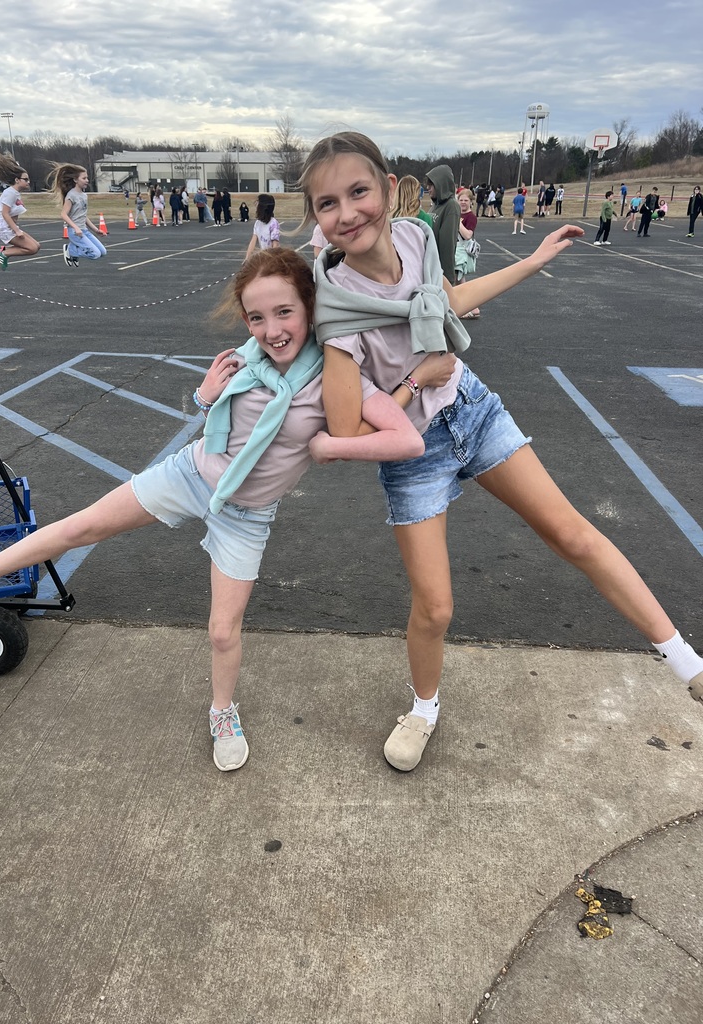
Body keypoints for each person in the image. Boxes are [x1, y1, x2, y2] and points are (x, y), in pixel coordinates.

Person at [0, 248, 435, 772]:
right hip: (190, 474)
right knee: (80, 527)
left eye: (284, 312)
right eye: (257, 317)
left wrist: (332, 444)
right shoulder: (246, 360)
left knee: (222, 630)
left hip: (246, 514)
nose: (271, 330)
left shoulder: (336, 379)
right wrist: (204, 397)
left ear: (310, 307)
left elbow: (407, 440)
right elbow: (221, 423)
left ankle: (223, 712)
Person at [301, 130, 703, 772]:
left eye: (358, 192)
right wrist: (416, 381)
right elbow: (348, 429)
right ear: (315, 215)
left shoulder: (414, 238)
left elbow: (451, 301)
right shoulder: (335, 308)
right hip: (413, 451)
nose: (347, 213)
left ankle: (689, 665)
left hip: (472, 408)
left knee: (572, 533)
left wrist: (534, 261)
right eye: (327, 203)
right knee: (435, 606)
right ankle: (424, 708)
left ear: (387, 187)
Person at [49, 163, 108, 267]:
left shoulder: (84, 195)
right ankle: (71, 250)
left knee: (103, 252)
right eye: (84, 178)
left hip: (84, 230)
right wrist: (75, 228)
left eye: (87, 178)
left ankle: (75, 251)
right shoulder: (71, 195)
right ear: (76, 180)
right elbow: (63, 214)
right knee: (95, 254)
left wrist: (96, 230)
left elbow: (83, 216)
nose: (87, 180)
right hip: (75, 232)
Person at [0, 152, 41, 269]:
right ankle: (4, 253)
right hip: (5, 229)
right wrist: (16, 231)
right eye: (25, 179)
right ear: (17, 180)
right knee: (32, 248)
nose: (28, 182)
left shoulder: (15, 193)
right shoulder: (10, 193)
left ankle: (3, 250)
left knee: (37, 245)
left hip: (11, 228)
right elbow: (5, 213)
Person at [425, 165, 460, 285]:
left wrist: (448, 278)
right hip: (429, 267)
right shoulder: (435, 205)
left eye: (431, 185)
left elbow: (448, 244)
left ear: (441, 185)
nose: (428, 188)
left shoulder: (451, 206)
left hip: (440, 272)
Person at [454, 188, 480, 319]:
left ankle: (467, 308)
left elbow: (468, 235)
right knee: (458, 281)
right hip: (454, 249)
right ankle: (472, 308)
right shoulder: (456, 214)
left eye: (466, 200)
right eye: (461, 200)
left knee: (459, 280)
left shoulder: (471, 217)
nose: (463, 202)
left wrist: (458, 223)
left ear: (471, 202)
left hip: (461, 251)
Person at [244, 193, 279, 259]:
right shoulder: (258, 223)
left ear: (263, 206)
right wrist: (247, 259)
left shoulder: (273, 223)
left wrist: (272, 261)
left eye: (258, 202)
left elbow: (275, 245)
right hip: (264, 257)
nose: (256, 204)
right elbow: (252, 242)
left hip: (271, 258)